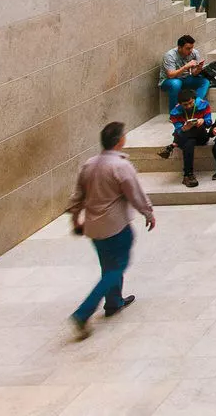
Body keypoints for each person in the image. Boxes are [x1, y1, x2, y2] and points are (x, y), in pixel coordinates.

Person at [66, 121, 153, 337]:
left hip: (93, 228)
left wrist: (76, 219)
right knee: (116, 268)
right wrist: (148, 213)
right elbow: (135, 194)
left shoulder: (89, 164)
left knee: (108, 265)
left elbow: (78, 196)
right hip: (116, 226)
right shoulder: (121, 166)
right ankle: (82, 313)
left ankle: (114, 302)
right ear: (120, 141)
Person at [167, 87, 212, 187]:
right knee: (189, 143)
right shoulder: (175, 112)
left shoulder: (203, 105)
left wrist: (203, 121)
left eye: (191, 103)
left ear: (194, 99)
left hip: (201, 135)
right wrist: (185, 128)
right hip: (187, 138)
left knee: (192, 133)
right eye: (185, 105)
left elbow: (209, 123)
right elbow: (179, 129)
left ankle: (175, 143)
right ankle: (188, 174)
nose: (188, 106)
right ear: (180, 104)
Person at [159, 34, 208, 108]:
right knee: (176, 83)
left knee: (204, 81)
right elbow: (170, 75)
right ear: (179, 48)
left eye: (192, 48)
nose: (190, 51)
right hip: (168, 81)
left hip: (185, 78)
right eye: (188, 48)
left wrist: (198, 69)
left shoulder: (194, 53)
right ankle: (175, 112)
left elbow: (194, 74)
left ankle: (196, 105)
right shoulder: (170, 55)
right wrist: (185, 67)